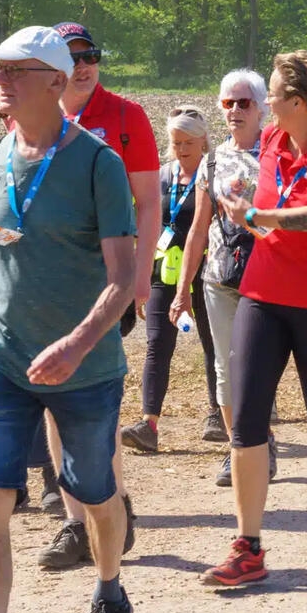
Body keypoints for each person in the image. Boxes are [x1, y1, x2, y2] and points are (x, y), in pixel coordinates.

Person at [0, 26, 138, 613]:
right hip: (1, 362)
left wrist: (76, 341)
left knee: (96, 496)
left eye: (17, 68)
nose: (1, 78)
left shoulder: (99, 163)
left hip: (87, 368)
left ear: (56, 83)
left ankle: (109, 590)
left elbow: (124, 278)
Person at [202, 51, 307, 586]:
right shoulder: (272, 139)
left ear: (297, 101)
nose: (266, 102)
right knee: (246, 421)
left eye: (272, 94)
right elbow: (264, 204)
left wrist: (261, 215)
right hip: (264, 295)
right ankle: (248, 547)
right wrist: (240, 209)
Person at [37, 22, 158, 571]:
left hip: (106, 281)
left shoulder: (127, 117)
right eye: (71, 57)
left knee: (92, 402)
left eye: (91, 56)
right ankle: (74, 521)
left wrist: (141, 274)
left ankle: (107, 499)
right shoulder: (37, 118)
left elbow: (149, 202)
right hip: (47, 281)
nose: (83, 65)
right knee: (53, 399)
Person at [169, 70, 270, 488]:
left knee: (259, 369)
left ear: (262, 108)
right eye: (227, 103)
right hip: (220, 277)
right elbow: (197, 228)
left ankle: (259, 440)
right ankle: (241, 448)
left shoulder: (277, 156)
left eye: (243, 103)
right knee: (226, 367)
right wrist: (181, 290)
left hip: (269, 280)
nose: (234, 111)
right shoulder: (212, 161)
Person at [120, 107, 216, 455]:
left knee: (213, 345)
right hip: (165, 273)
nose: (181, 148)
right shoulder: (162, 176)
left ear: (203, 140)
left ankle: (218, 413)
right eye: (175, 142)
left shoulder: (214, 174)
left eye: (188, 141)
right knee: (157, 344)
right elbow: (144, 223)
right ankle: (149, 424)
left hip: (207, 274)